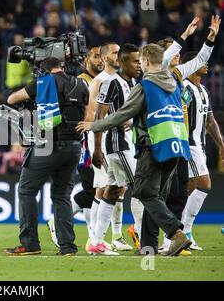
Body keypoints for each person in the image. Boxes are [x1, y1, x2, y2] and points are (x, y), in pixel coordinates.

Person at [77, 44, 192, 256]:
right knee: (154, 195)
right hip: (176, 145)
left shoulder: (145, 86)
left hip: (153, 146)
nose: (139, 65)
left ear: (147, 62)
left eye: (141, 61)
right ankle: (148, 248)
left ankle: (176, 233)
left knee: (143, 192)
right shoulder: (175, 83)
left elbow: (121, 114)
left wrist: (94, 126)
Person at [5, 57, 89, 256]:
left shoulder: (42, 82)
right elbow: (86, 112)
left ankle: (30, 243)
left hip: (49, 145)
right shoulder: (80, 83)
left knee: (26, 190)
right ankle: (67, 246)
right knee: (62, 196)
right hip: (74, 146)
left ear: (42, 70)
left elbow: (11, 99)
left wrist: (33, 94)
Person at [156, 15, 220, 254]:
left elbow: (202, 58)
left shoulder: (179, 76)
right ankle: (165, 238)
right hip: (165, 139)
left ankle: (176, 236)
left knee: (178, 192)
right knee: (165, 192)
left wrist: (211, 38)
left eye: (178, 54)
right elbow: (163, 60)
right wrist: (184, 36)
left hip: (180, 142)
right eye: (174, 53)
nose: (176, 56)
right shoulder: (160, 75)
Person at [86, 44, 143, 255]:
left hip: (129, 143)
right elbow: (99, 118)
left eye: (140, 61)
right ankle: (142, 235)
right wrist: (97, 149)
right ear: (122, 63)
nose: (139, 65)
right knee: (142, 186)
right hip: (117, 145)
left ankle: (96, 242)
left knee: (113, 191)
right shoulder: (110, 83)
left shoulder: (135, 83)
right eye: (135, 61)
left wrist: (134, 121)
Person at [47, 44, 103, 251]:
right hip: (87, 142)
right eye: (96, 56)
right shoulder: (80, 82)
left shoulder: (104, 80)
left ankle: (98, 236)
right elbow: (85, 116)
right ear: (85, 59)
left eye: (102, 57)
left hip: (101, 139)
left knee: (102, 189)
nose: (101, 60)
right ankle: (60, 221)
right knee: (95, 189)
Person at [180, 51, 224, 250]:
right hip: (188, 144)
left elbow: (210, 121)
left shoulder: (203, 90)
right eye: (202, 61)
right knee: (205, 184)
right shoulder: (184, 88)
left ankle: (176, 232)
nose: (206, 64)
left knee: (187, 190)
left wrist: (221, 144)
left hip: (200, 145)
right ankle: (186, 230)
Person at [85, 42, 124, 252]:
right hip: (102, 140)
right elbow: (92, 115)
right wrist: (94, 147)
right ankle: (94, 239)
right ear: (103, 57)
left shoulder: (120, 80)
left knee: (116, 188)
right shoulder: (99, 81)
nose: (119, 56)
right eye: (115, 53)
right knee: (104, 188)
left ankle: (101, 238)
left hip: (118, 140)